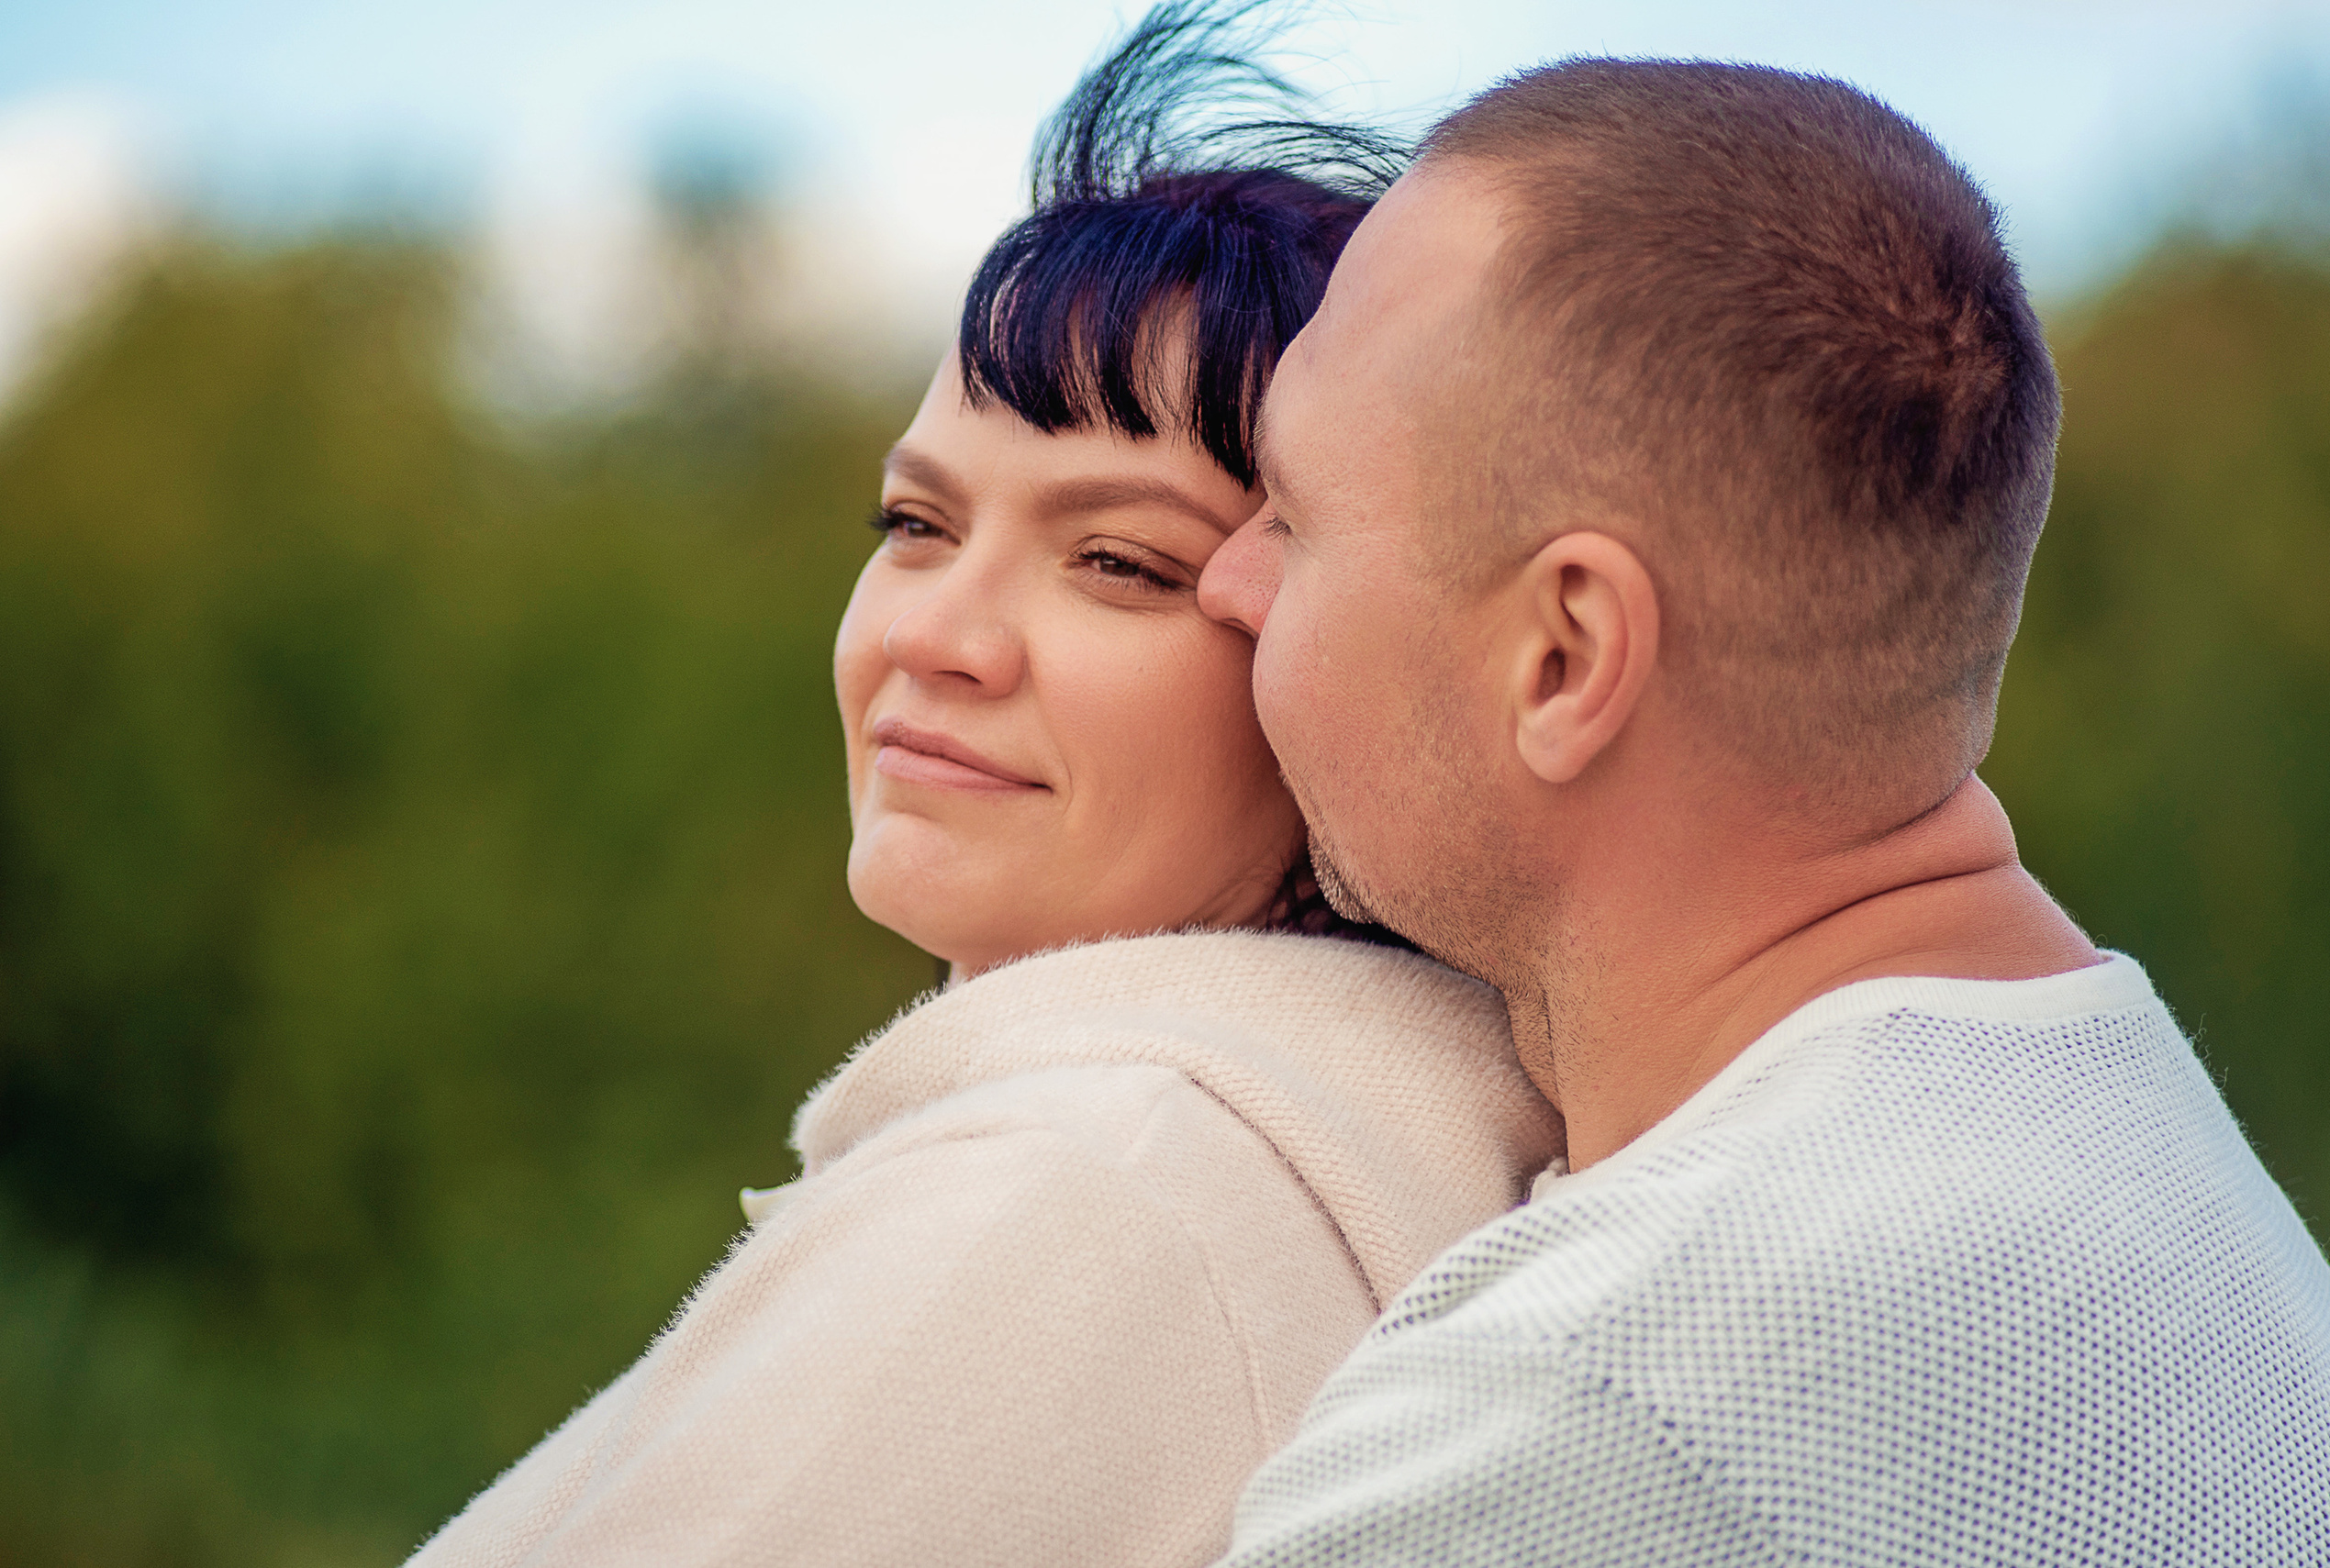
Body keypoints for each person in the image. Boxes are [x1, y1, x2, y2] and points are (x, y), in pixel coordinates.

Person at [404, 10, 1562, 1568]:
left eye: (1120, 562)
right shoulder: (1364, 1164)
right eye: (916, 522)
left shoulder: (1088, 1196)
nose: (935, 636)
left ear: (1358, 669)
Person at [1198, 58, 2330, 1565]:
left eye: (1291, 514)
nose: (1228, 584)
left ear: (1566, 657)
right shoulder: (2135, 1145)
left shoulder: (1589, 1397)